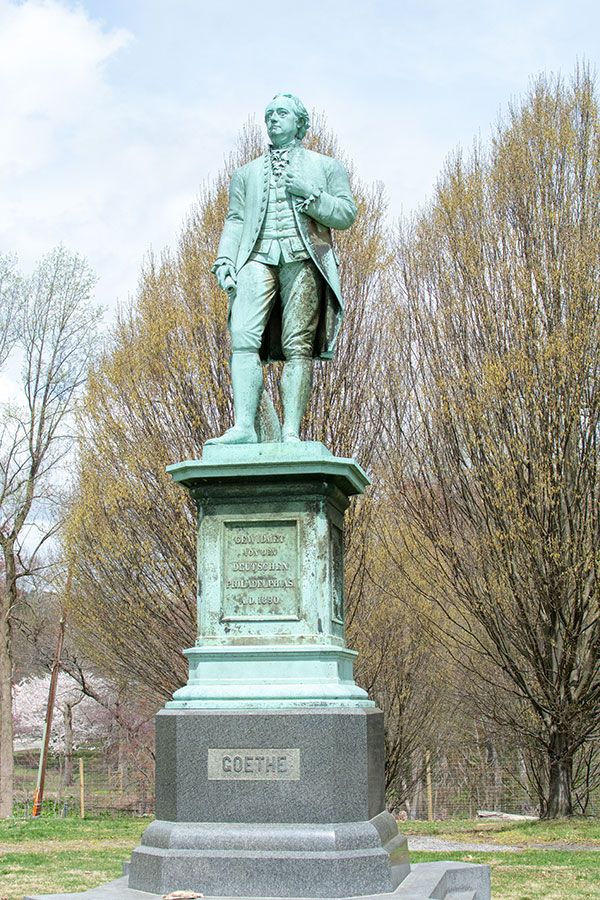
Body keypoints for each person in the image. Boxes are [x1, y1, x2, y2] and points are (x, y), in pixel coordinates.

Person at [209, 92, 357, 444]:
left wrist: (312, 195)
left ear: (300, 123)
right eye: (269, 114)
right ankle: (244, 427)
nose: (273, 119)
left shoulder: (326, 166)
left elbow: (347, 214)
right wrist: (225, 260)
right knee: (243, 337)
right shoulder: (245, 174)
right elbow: (235, 220)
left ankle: (291, 432)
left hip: (302, 258)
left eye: (282, 113)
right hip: (256, 257)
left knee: (297, 345)